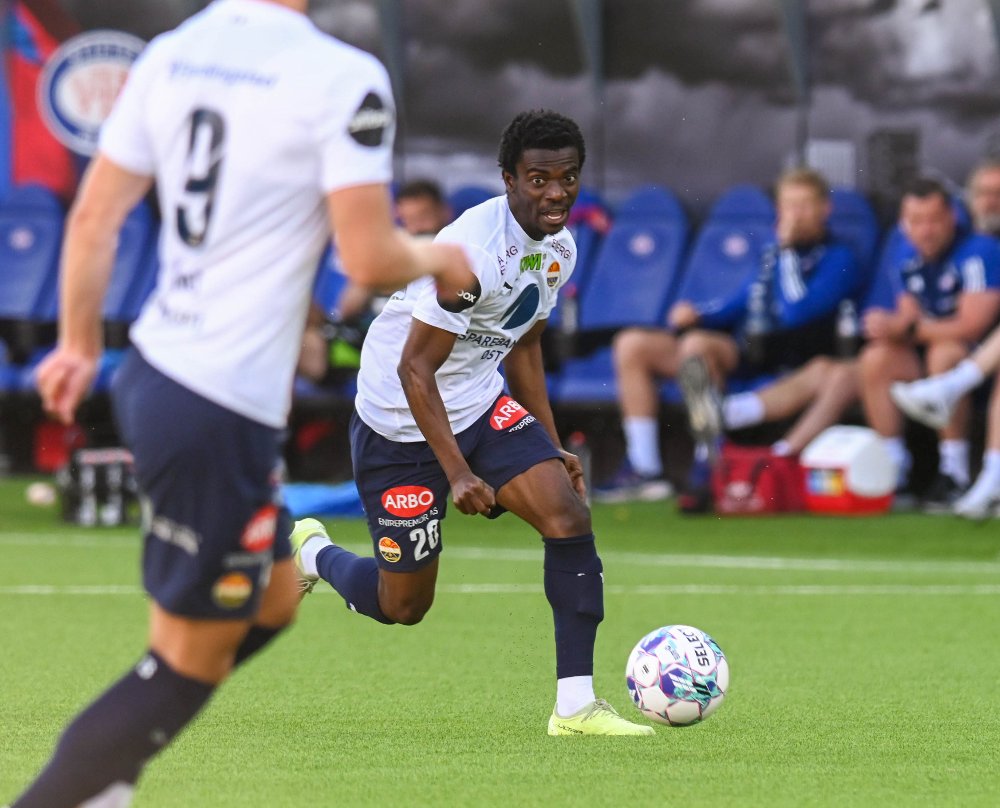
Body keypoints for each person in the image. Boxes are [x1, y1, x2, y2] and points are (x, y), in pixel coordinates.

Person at [12, 2, 473, 806]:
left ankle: (106, 774)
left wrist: (80, 343)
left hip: (160, 376)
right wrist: (441, 258)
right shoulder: (342, 76)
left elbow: (94, 216)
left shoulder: (173, 53)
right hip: (215, 406)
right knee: (178, 664)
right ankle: (89, 785)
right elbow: (368, 256)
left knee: (271, 600)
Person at [290, 109, 653, 736]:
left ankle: (574, 708)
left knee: (567, 517)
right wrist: (457, 473)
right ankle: (313, 553)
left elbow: (525, 344)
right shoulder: (472, 254)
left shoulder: (560, 248)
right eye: (538, 179)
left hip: (479, 404)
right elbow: (414, 370)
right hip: (398, 420)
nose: (556, 193)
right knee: (404, 605)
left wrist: (552, 446)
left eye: (567, 178)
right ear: (509, 179)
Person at [599, 167, 862, 502]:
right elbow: (742, 302)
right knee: (634, 344)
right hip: (746, 349)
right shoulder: (771, 254)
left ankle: (708, 459)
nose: (795, 216)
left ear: (825, 209)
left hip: (793, 358)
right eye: (788, 207)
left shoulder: (839, 257)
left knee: (696, 347)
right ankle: (644, 468)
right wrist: (700, 314)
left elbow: (796, 311)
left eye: (804, 206)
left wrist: (786, 253)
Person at [859, 176, 1000, 511]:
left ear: (952, 216)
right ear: (903, 223)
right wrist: (890, 326)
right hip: (931, 357)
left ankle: (955, 472)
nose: (926, 230)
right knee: (877, 357)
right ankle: (893, 472)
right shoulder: (905, 255)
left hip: (979, 359)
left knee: (944, 353)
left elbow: (971, 326)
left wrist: (905, 328)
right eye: (916, 221)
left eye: (934, 220)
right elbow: (909, 314)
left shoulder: (979, 249)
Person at [297, 178, 453, 383]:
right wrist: (376, 269)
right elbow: (347, 308)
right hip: (363, 336)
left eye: (424, 218)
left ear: (444, 212)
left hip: (406, 343)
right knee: (292, 313)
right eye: (409, 220)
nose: (417, 228)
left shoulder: (455, 252)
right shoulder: (394, 247)